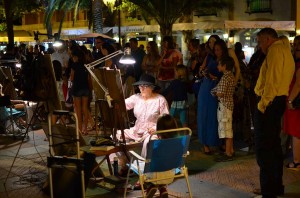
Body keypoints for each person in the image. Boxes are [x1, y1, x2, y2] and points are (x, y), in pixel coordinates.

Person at [253, 28, 295, 197]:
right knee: (274, 146)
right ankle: (275, 187)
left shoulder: (275, 51)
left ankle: (268, 190)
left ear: (268, 39)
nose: (259, 45)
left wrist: (262, 104)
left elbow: (272, 81)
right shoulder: (286, 50)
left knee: (265, 149)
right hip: (278, 101)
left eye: (260, 41)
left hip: (270, 102)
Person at [115, 74, 169, 175]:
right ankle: (126, 165)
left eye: (145, 86)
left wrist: (156, 128)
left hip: (151, 131)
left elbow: (166, 119)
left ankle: (145, 170)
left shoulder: (160, 100)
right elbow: (121, 105)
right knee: (116, 136)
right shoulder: (136, 97)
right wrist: (112, 99)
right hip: (137, 130)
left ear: (152, 87)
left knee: (150, 141)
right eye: (140, 86)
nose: (142, 88)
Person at [144, 114, 178, 198]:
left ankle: (151, 187)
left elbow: (149, 157)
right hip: (171, 174)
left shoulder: (155, 143)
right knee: (163, 169)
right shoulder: (179, 142)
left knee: (147, 165)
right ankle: (162, 188)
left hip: (154, 175)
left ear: (159, 129)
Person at [211, 57, 236, 162]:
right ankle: (231, 150)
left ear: (224, 66)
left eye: (219, 64)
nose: (218, 66)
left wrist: (215, 93)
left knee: (226, 130)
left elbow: (220, 93)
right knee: (228, 128)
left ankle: (228, 153)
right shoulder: (230, 76)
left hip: (224, 106)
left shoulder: (225, 77)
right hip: (228, 105)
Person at [283, 35, 300, 171]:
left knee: (296, 132)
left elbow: (298, 84)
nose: (296, 47)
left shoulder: (299, 62)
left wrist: (290, 99)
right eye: (295, 44)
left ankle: (296, 161)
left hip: (296, 102)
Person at [70, 47, 91, 136]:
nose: (72, 58)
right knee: (85, 108)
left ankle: (79, 129)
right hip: (86, 88)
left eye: (73, 56)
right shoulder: (86, 64)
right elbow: (89, 78)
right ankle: (85, 129)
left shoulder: (74, 65)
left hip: (77, 88)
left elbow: (71, 78)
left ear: (76, 57)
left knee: (78, 110)